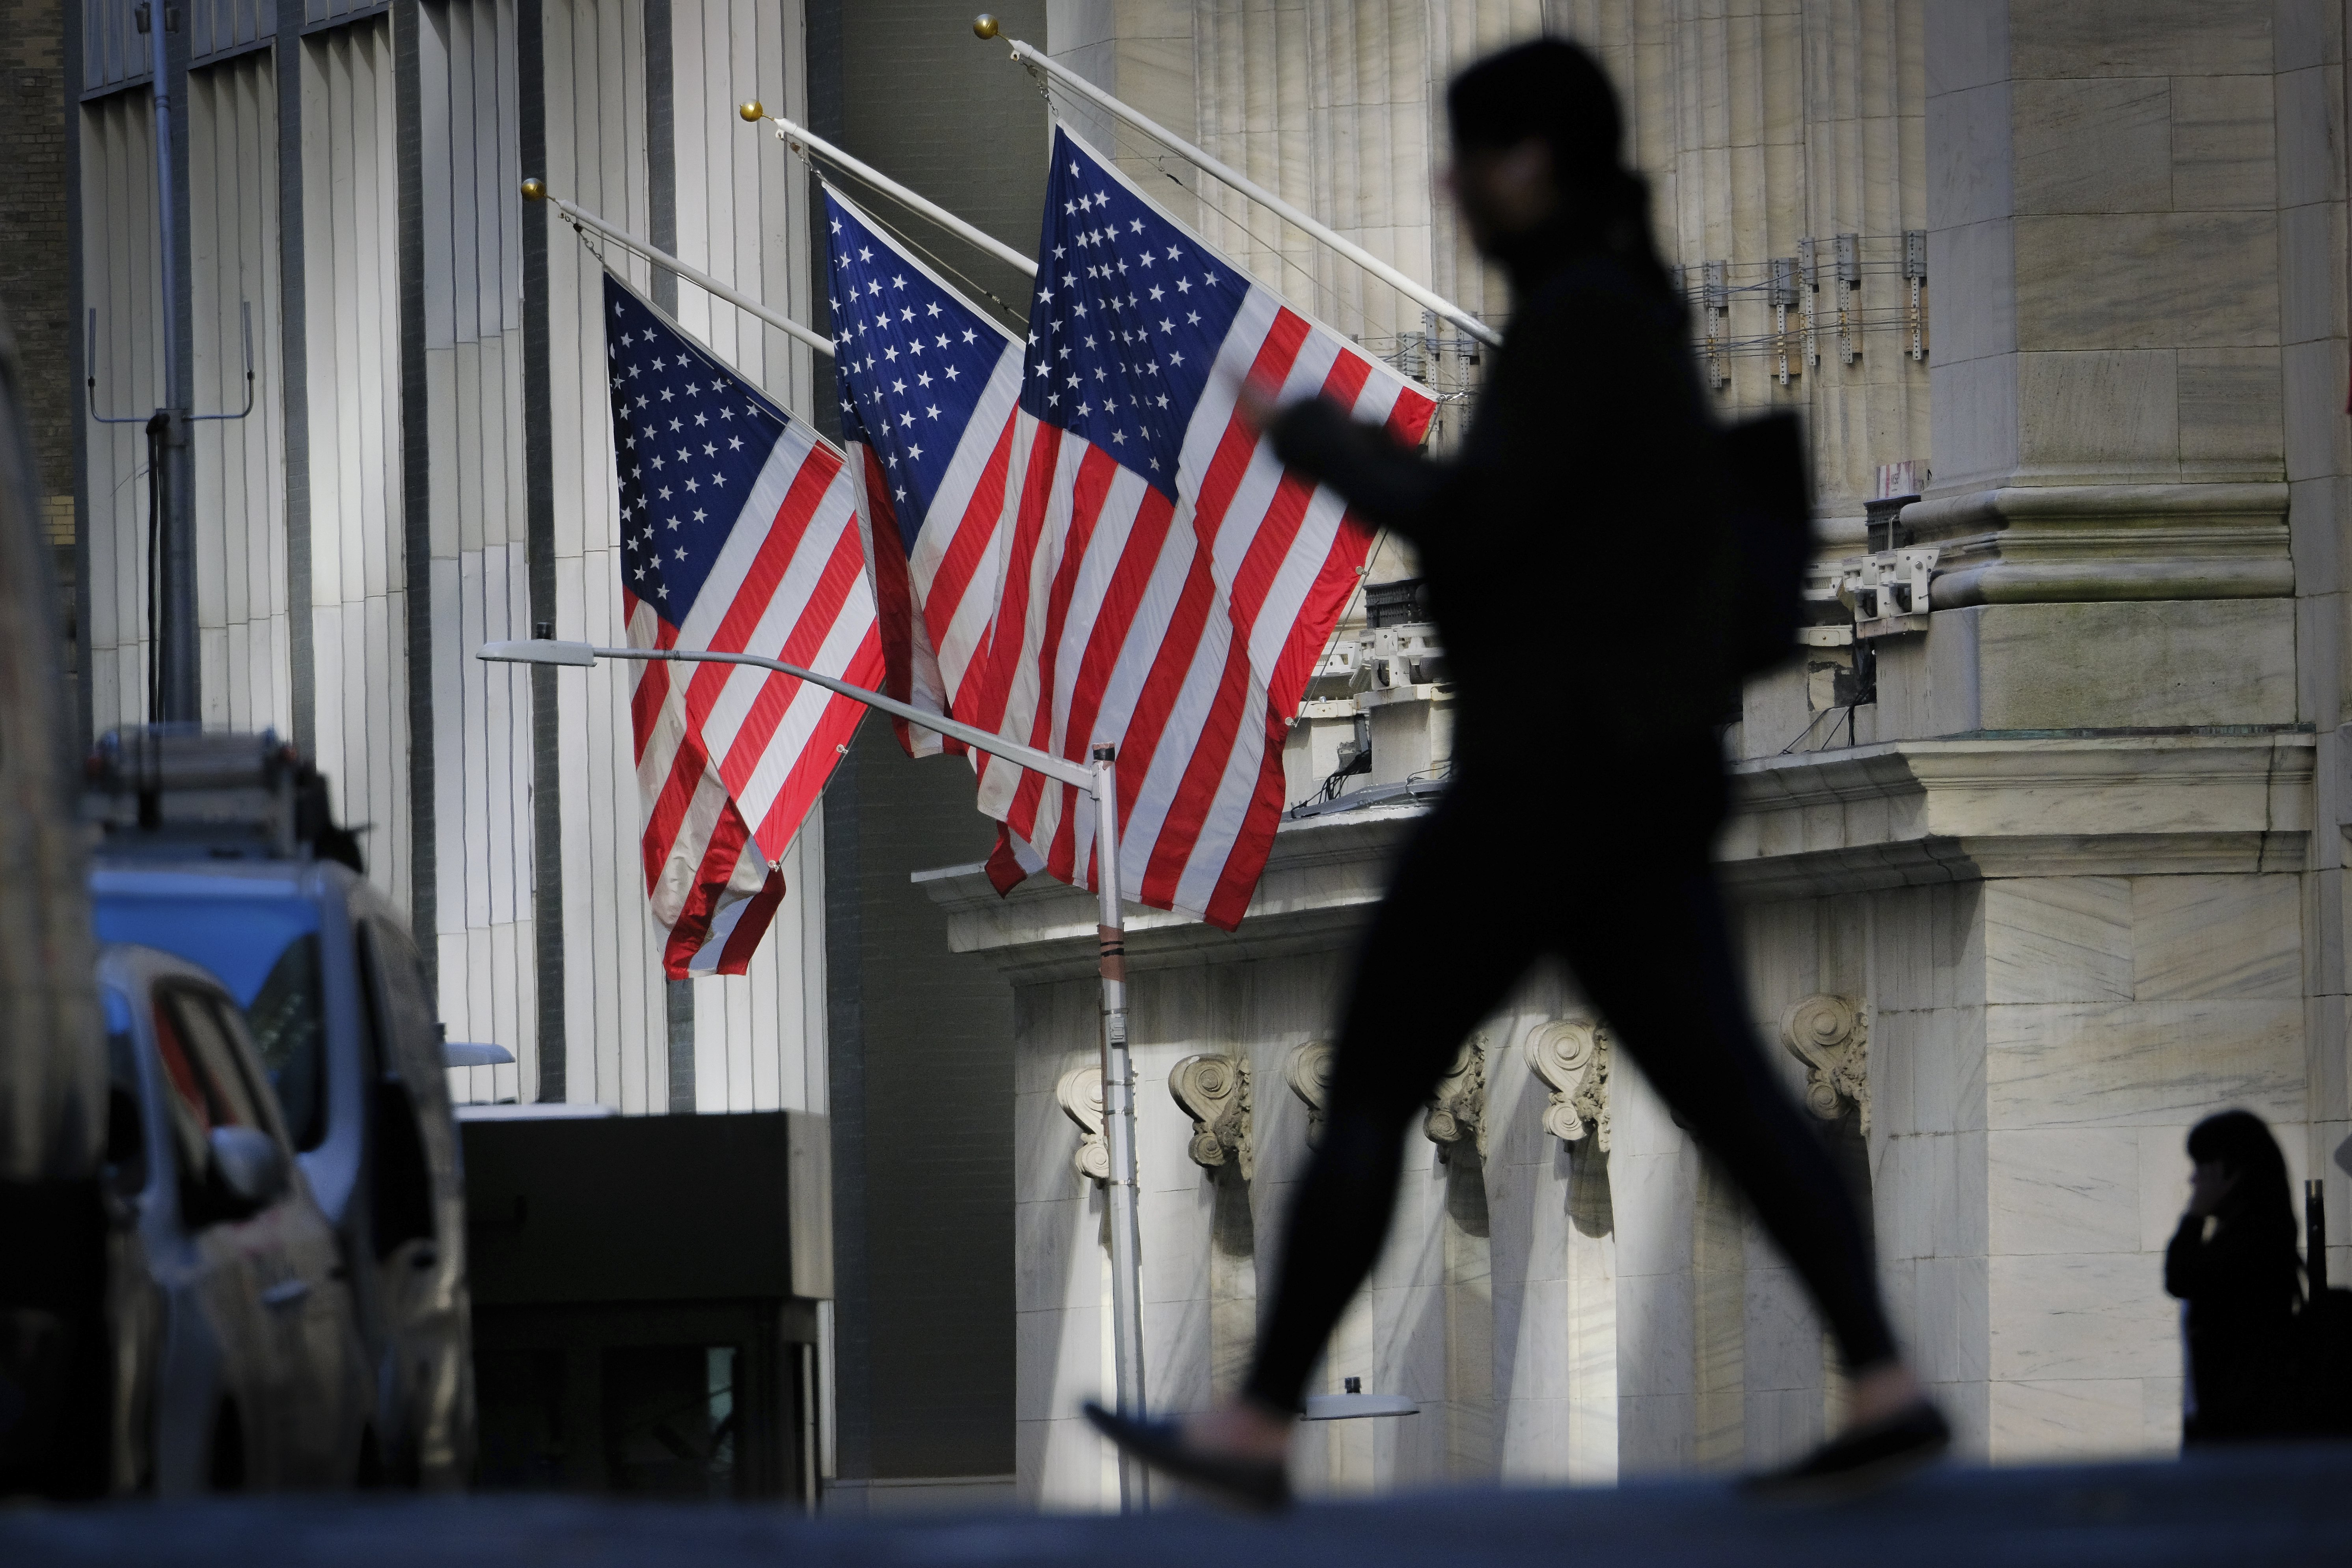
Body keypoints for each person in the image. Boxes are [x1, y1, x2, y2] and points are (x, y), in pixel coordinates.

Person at [1085, 37, 1946, 1507]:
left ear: (1532, 161)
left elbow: (1484, 528)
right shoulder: (1626, 311)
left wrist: (1327, 448)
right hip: (1627, 782)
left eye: (1468, 154)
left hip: (1547, 785)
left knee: (1375, 1079)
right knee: (1730, 1089)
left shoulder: (1586, 321)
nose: (1449, 186)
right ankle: (1883, 1376)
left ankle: (1257, 1422)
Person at [2165, 1109, 2303, 1443]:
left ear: (2230, 1170)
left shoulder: (2254, 1240)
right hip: (2233, 1428)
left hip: (2240, 1432)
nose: (2193, 1180)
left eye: (2201, 1167)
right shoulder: (2247, 1235)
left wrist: (2194, 1214)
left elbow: (2180, 1276)